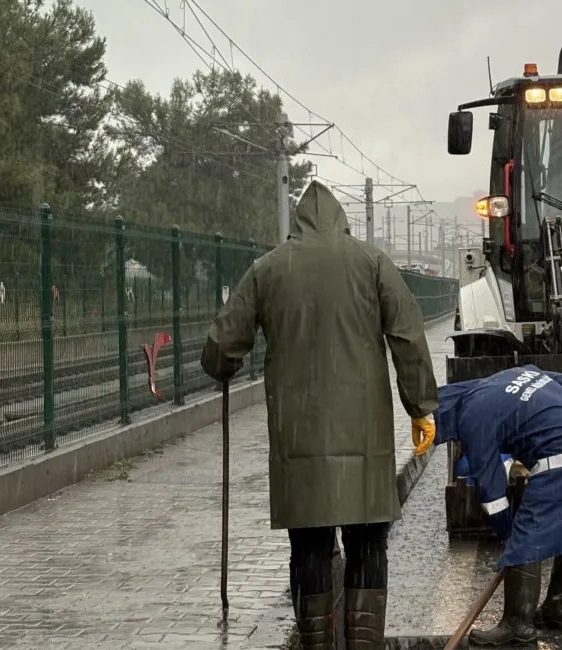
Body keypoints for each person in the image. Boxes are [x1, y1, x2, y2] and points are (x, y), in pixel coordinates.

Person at [200, 180, 439, 650]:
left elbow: (220, 350)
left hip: (298, 441)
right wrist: (421, 406)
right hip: (365, 442)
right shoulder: (372, 263)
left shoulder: (266, 270)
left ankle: (315, 643)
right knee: (368, 545)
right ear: (341, 219)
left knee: (308, 547)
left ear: (298, 223)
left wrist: (223, 364)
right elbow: (408, 338)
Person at [434, 365, 562, 646]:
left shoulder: (471, 416)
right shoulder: (510, 375)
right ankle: (557, 609)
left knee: (527, 535)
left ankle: (517, 625)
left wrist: (507, 530)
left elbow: (490, 486)